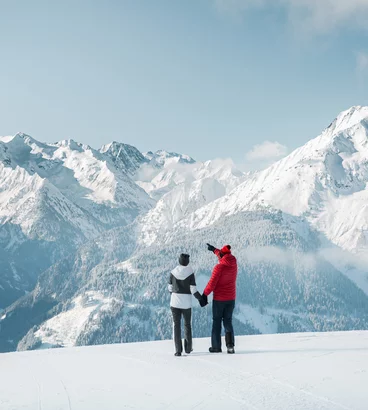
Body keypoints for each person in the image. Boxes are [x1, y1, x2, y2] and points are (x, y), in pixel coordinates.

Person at [168, 253, 207, 357]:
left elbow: (170, 288)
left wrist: (175, 295)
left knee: (176, 325)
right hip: (186, 304)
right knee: (187, 325)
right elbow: (193, 290)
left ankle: (178, 350)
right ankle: (188, 348)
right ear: (187, 262)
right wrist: (201, 299)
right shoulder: (190, 273)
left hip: (174, 302)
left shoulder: (173, 272)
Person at [203, 244, 238, 354]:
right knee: (228, 321)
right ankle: (230, 345)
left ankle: (216, 347)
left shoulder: (219, 268)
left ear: (222, 256)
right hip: (231, 299)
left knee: (217, 322)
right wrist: (214, 250)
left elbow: (212, 284)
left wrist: (204, 294)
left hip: (219, 300)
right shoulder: (233, 263)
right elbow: (222, 255)